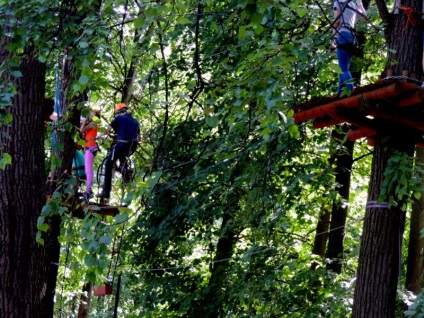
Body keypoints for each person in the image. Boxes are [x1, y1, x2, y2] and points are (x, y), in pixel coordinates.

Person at [97, 103, 140, 199]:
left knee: (108, 163)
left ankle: (106, 192)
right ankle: (126, 177)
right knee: (122, 157)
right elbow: (139, 138)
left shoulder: (118, 119)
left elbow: (106, 131)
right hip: (132, 147)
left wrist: (96, 137)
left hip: (122, 145)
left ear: (118, 112)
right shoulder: (135, 121)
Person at [332, 0, 367, 95]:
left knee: (343, 68)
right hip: (351, 37)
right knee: (344, 68)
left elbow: (336, 22)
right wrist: (360, 4)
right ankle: (340, 94)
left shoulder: (338, 3)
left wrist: (333, 39)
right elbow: (365, 18)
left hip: (342, 35)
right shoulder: (353, 5)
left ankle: (352, 91)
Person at [80, 109, 101, 202]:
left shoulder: (93, 124)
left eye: (93, 114)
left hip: (91, 147)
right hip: (88, 147)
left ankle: (89, 191)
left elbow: (82, 130)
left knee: (88, 170)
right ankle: (88, 190)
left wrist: (84, 121)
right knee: (87, 169)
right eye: (90, 114)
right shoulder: (92, 124)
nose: (91, 115)